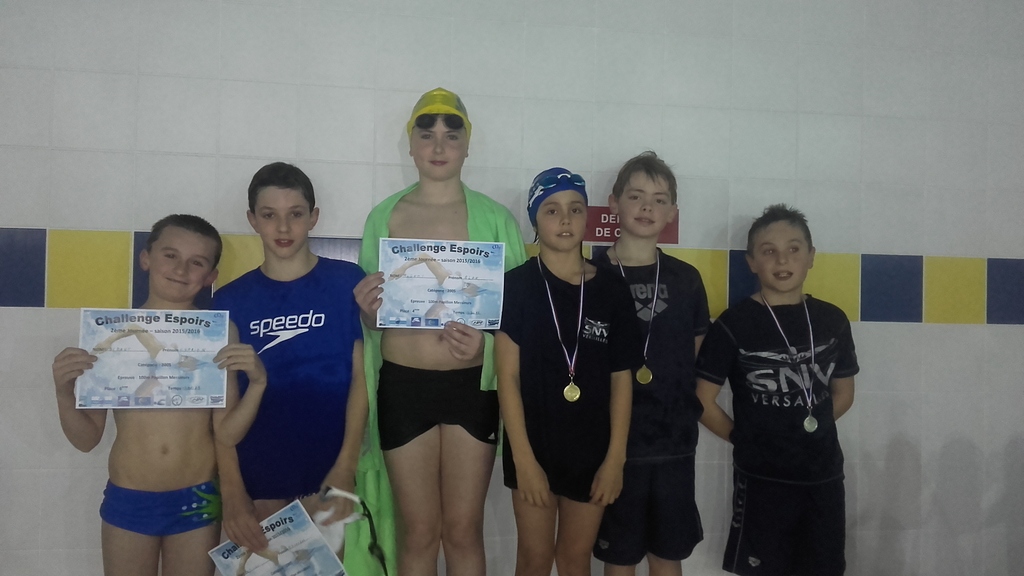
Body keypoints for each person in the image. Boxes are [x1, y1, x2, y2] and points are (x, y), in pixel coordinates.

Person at [354, 87, 527, 576]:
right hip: (403, 387)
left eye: (451, 135)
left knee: (463, 531)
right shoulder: (384, 217)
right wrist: (368, 313)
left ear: (467, 145)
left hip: (471, 389)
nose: (438, 146)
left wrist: (486, 348)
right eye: (426, 134)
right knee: (419, 533)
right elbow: (371, 320)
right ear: (410, 144)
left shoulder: (496, 220)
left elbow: (519, 318)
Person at [51, 214, 262, 576]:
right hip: (129, 496)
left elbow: (227, 433)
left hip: (195, 497)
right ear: (146, 258)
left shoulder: (219, 333)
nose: (181, 269)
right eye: (170, 255)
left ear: (210, 276)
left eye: (197, 262)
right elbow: (86, 439)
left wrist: (257, 385)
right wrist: (63, 393)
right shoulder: (112, 332)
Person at [211, 162, 379, 573]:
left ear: (313, 217)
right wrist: (232, 493)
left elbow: (361, 379)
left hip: (327, 471)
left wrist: (345, 465)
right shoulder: (230, 299)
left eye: (295, 214)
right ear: (252, 220)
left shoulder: (346, 281)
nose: (283, 227)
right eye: (269, 215)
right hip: (258, 475)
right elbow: (221, 408)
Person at [694, 204, 858, 576]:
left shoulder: (832, 320)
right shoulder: (733, 325)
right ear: (752, 262)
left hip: (823, 476)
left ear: (811, 256)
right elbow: (702, 400)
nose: (782, 260)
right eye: (768, 251)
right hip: (762, 479)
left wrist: (810, 426)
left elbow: (844, 393)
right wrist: (744, 438)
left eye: (793, 249)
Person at [496, 168, 642, 576]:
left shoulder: (612, 289)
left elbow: (621, 379)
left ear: (587, 218)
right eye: (552, 210)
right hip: (533, 448)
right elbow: (507, 378)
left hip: (593, 453)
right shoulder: (516, 286)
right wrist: (523, 460)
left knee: (575, 560)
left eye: (575, 209)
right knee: (534, 559)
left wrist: (615, 460)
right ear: (535, 221)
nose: (565, 219)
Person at [592, 152, 709, 576]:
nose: (647, 207)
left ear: (672, 212)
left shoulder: (686, 279)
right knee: (619, 556)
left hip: (673, 443)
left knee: (666, 555)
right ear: (613, 203)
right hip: (610, 445)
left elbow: (694, 354)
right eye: (636, 196)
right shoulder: (591, 275)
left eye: (659, 200)